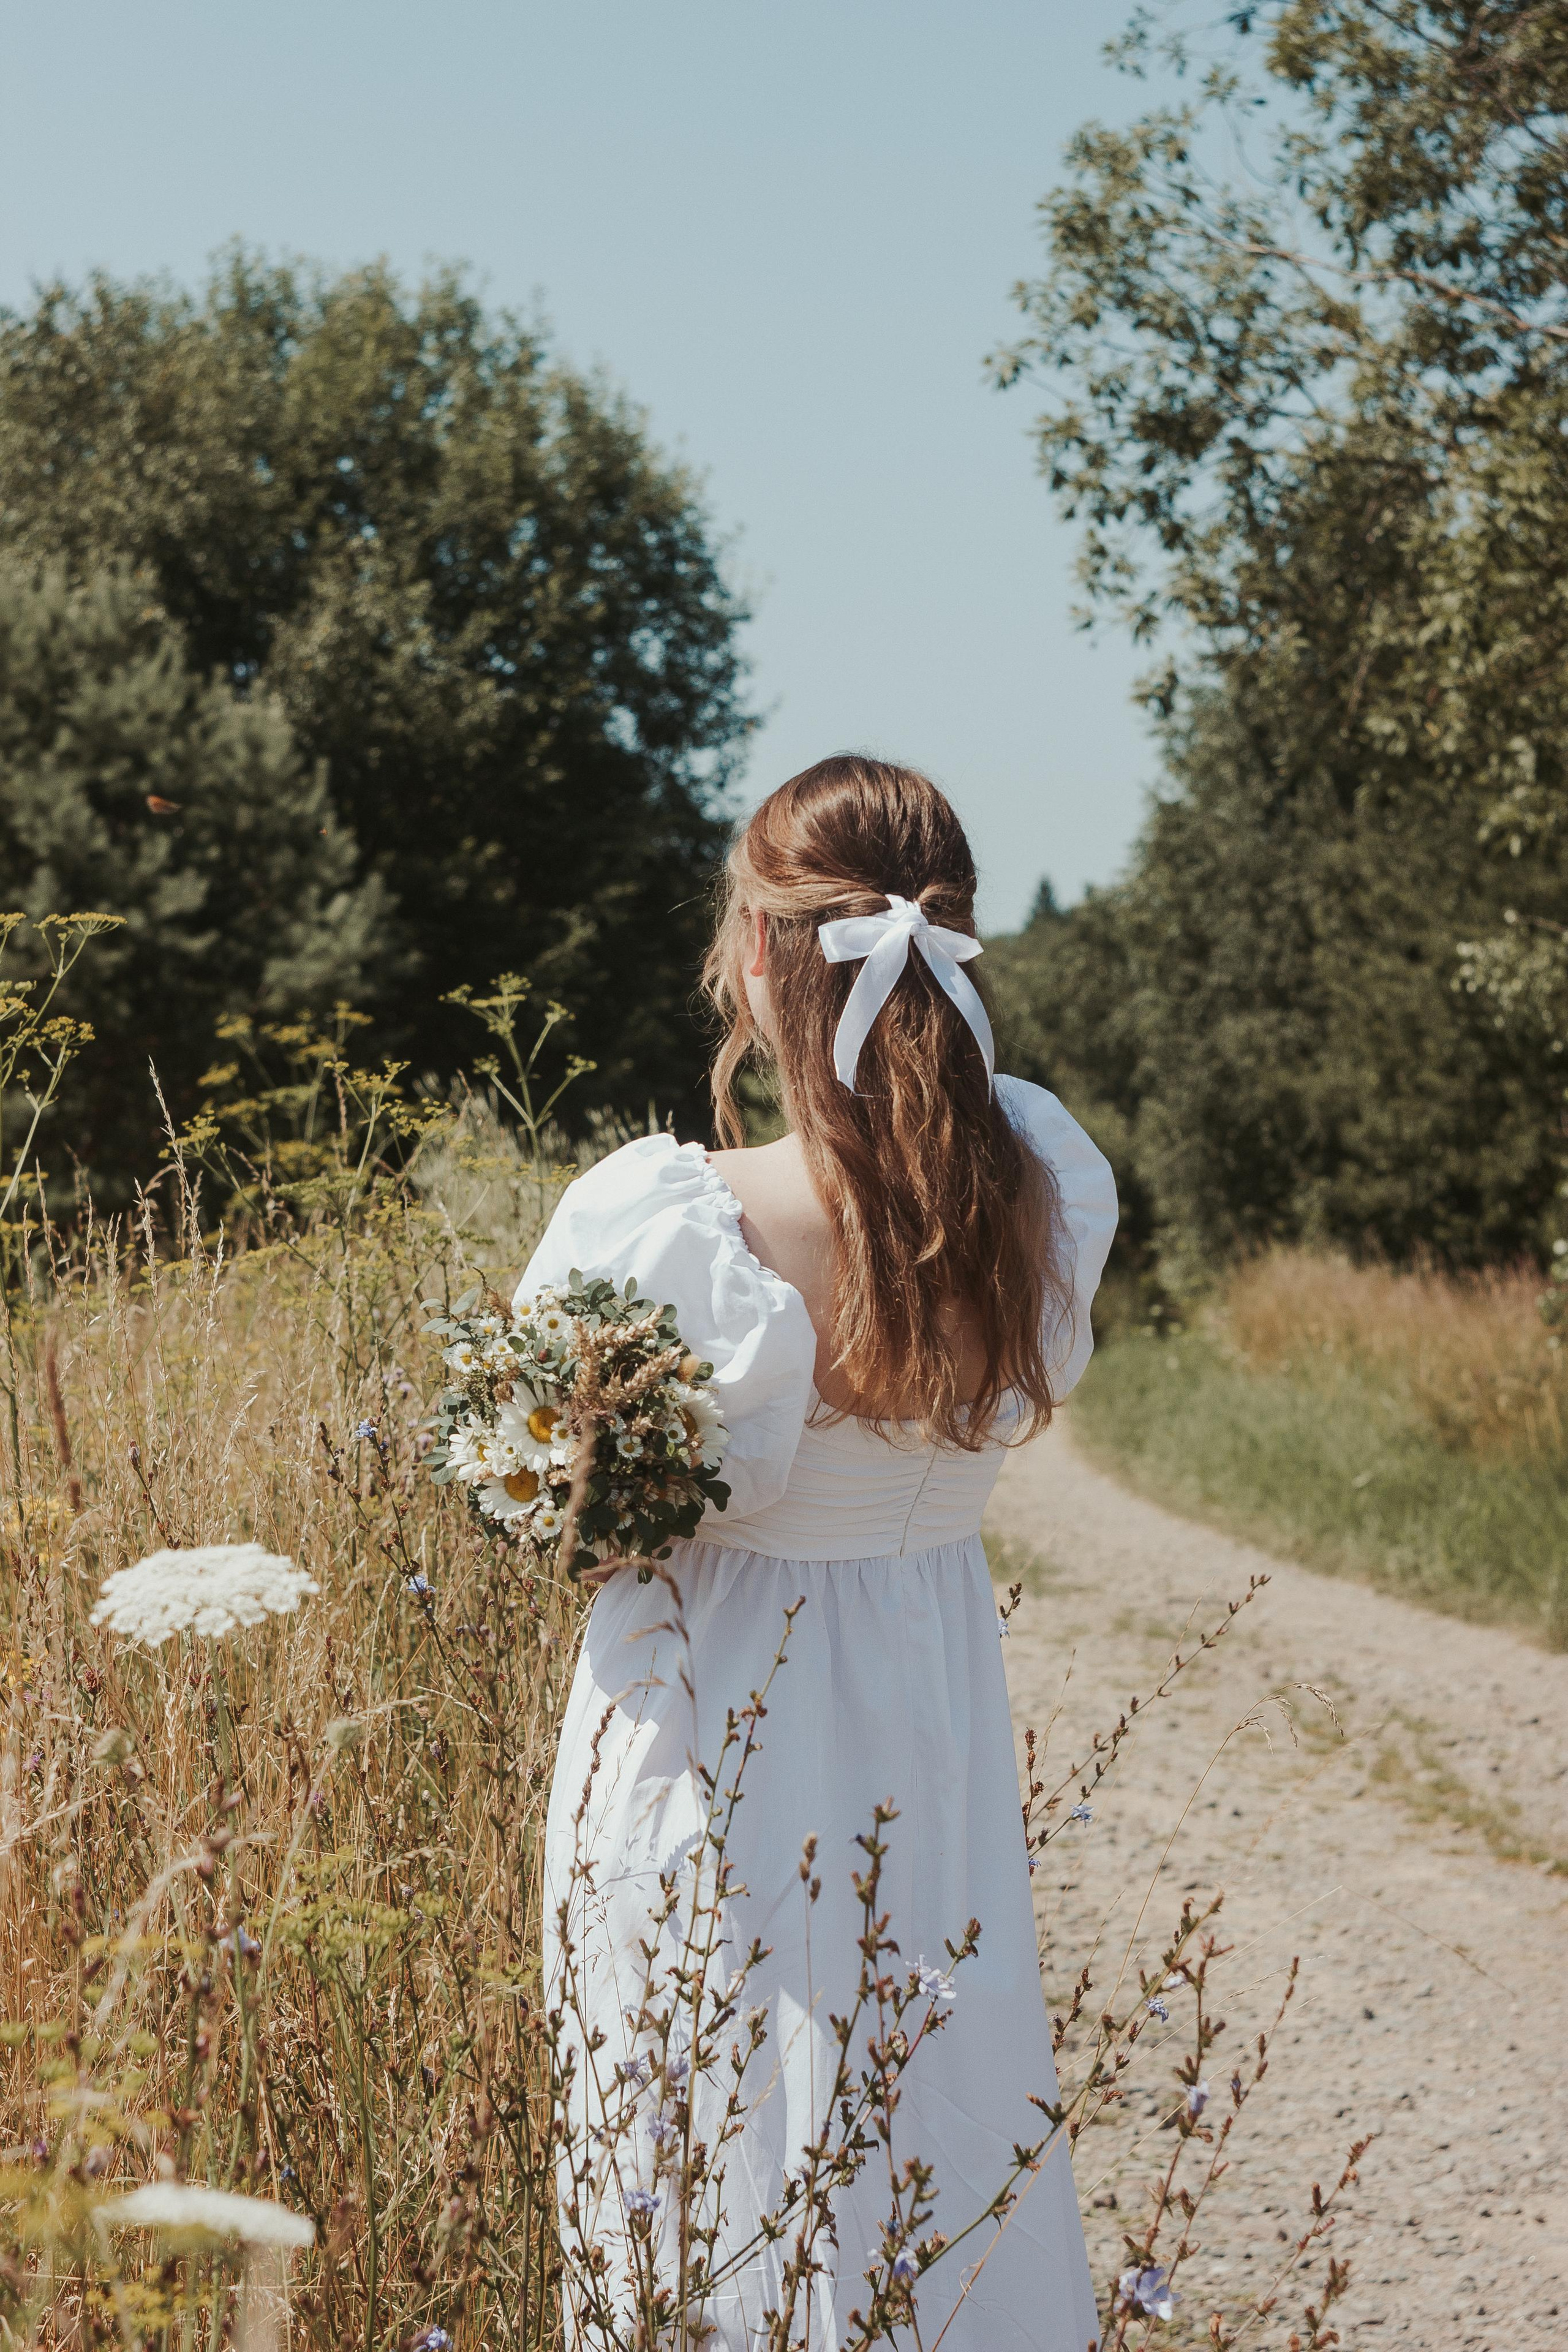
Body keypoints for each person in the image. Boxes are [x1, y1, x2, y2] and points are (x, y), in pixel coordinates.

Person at [522, 756, 1117, 2350]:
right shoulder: (1045, 1188)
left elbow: (565, 1486)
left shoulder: (669, 1218)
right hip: (928, 1723)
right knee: (934, 2109)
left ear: (762, 953)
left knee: (713, 2119)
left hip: (716, 1721)